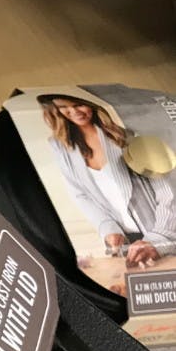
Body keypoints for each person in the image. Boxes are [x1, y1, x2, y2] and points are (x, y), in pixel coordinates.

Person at [38, 93, 176, 268]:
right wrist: (109, 228)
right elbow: (80, 195)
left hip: (163, 230)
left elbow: (168, 190)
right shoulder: (60, 147)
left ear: (92, 103)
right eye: (63, 107)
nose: (74, 112)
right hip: (126, 243)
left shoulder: (127, 134)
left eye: (78, 104)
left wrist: (158, 238)